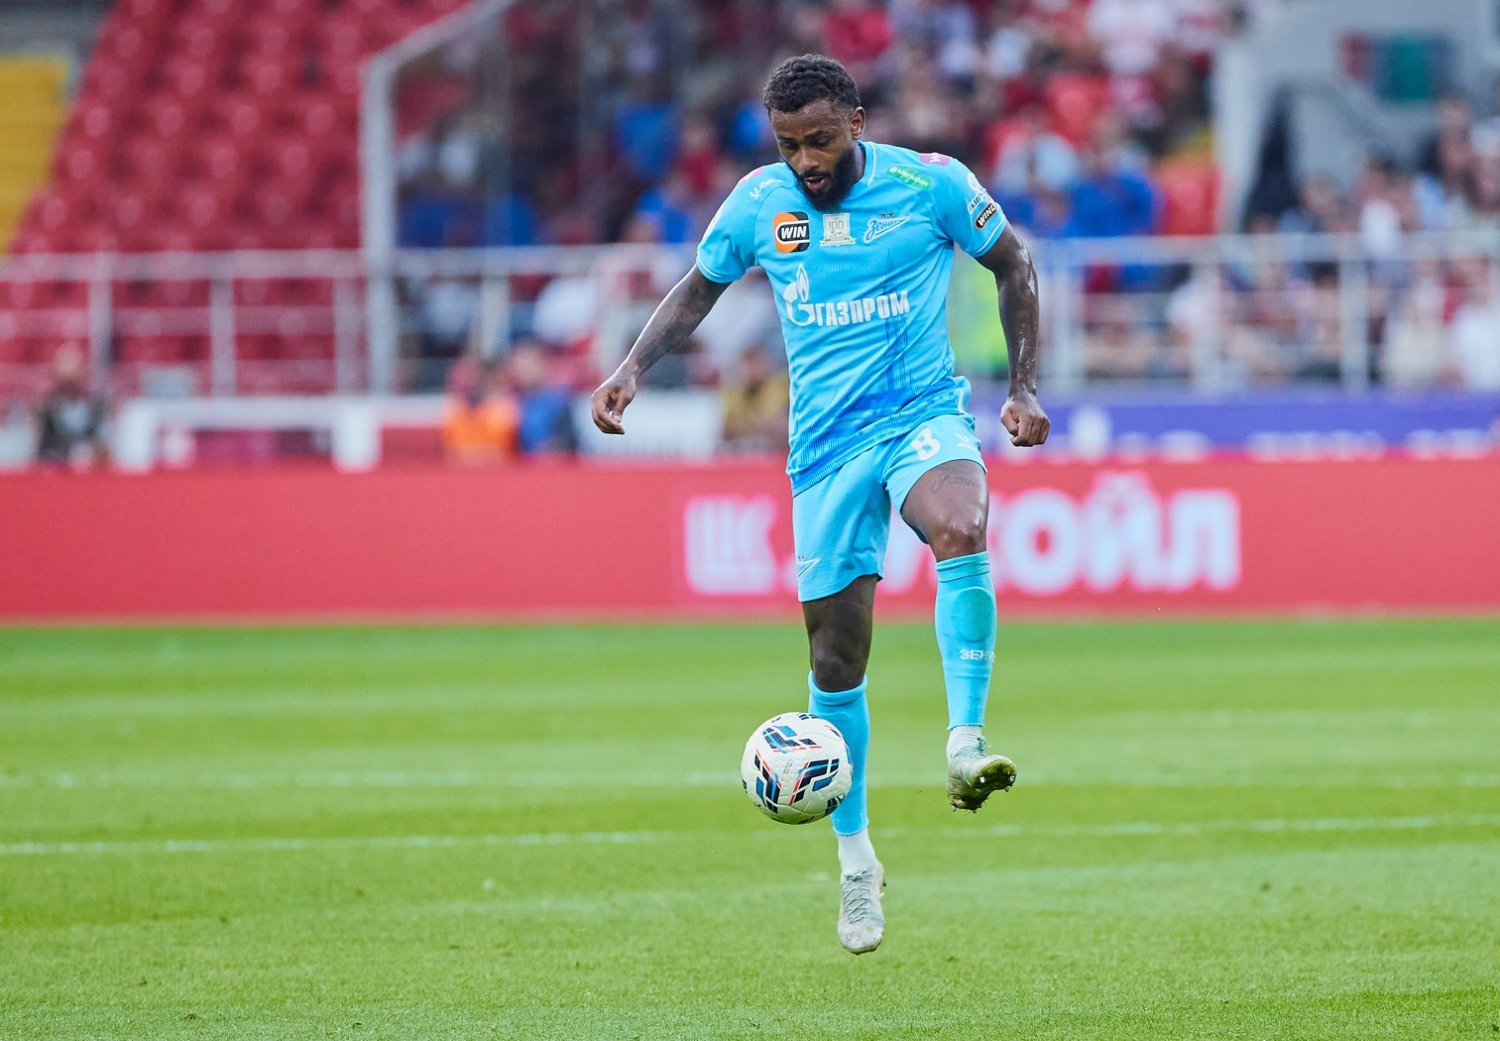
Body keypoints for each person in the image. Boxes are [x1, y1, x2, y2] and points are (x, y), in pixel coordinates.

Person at [590, 53, 1049, 956]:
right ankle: (855, 860)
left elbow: (1013, 262)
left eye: (821, 141)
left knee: (961, 524)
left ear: (858, 124)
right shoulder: (760, 204)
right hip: (825, 452)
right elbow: (699, 286)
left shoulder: (931, 185)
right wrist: (632, 367)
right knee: (836, 661)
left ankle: (964, 742)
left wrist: (1023, 386)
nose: (806, 160)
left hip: (921, 415)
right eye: (790, 144)